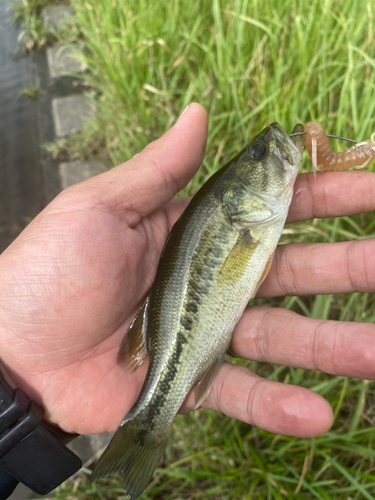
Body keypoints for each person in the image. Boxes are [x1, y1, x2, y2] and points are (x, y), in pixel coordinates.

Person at [0, 103, 374, 486]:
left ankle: (141, 433)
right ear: (236, 199)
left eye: (256, 152)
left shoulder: (247, 219)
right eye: (258, 153)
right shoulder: (241, 222)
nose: (269, 149)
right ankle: (149, 425)